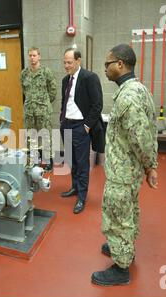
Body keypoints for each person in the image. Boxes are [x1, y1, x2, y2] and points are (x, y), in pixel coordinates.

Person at [91, 44, 158, 286]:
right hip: (129, 170)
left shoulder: (128, 97)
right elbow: (151, 129)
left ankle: (121, 268)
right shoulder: (138, 89)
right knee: (127, 210)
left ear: (120, 64)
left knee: (117, 216)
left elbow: (141, 137)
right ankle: (123, 247)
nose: (105, 69)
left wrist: (151, 165)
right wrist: (150, 166)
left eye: (107, 64)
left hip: (123, 171)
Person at [60, 48, 104, 214]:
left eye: (69, 62)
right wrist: (61, 121)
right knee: (71, 161)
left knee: (82, 163)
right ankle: (75, 188)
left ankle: (82, 197)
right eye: (64, 62)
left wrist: (86, 126)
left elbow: (97, 105)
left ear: (78, 61)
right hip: (67, 125)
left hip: (80, 127)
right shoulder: (66, 80)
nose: (66, 65)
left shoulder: (89, 78)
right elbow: (65, 102)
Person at [20, 47, 57, 171]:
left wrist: (44, 103)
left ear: (39, 56)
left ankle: (48, 161)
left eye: (34, 55)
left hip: (43, 111)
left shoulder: (46, 72)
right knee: (31, 136)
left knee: (46, 136)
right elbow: (24, 90)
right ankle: (33, 161)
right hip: (29, 111)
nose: (32, 58)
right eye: (30, 55)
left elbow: (53, 91)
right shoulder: (24, 73)